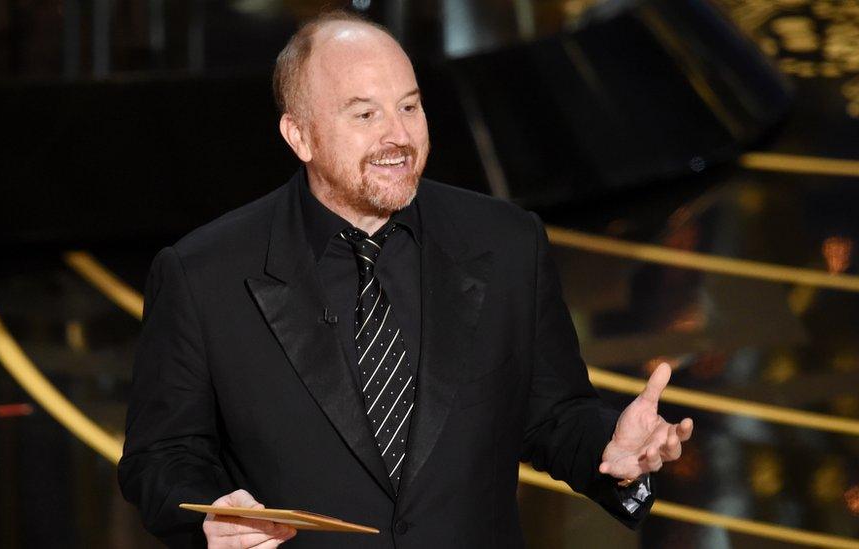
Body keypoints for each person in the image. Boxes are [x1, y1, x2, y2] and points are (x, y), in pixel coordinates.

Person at [117, 10, 693, 549]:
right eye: (365, 114)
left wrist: (606, 444)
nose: (399, 137)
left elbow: (552, 413)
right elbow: (162, 456)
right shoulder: (203, 274)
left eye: (410, 107)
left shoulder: (507, 242)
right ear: (300, 136)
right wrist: (212, 512)